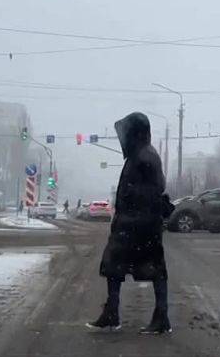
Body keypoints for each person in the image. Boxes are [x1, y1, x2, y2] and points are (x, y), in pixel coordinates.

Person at [87, 112, 171, 334]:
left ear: (136, 133)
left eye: (126, 133)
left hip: (138, 226)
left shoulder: (145, 157)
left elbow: (153, 191)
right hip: (136, 224)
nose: (122, 139)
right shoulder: (139, 155)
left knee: (149, 269)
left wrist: (130, 213)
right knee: (116, 267)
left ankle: (159, 317)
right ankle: (113, 313)